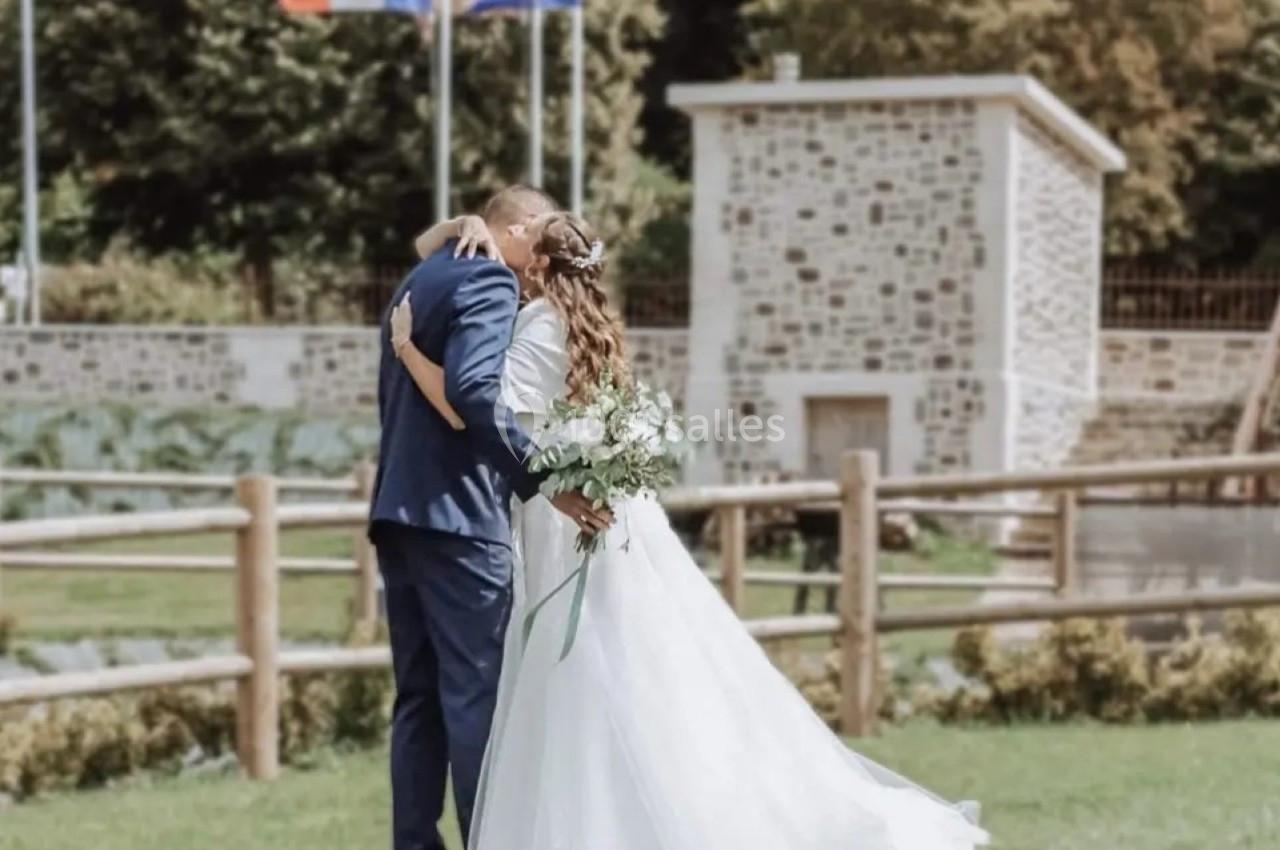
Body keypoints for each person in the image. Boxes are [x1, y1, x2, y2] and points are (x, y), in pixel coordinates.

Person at [392, 207, 990, 850]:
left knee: (584, 673)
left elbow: (467, 406)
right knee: (624, 669)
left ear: (538, 263)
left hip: (564, 518)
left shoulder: (538, 325)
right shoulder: (592, 328)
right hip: (596, 514)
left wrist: (407, 348)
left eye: (525, 250)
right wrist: (462, 225)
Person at [368, 185, 612, 850]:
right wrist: (545, 483)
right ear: (522, 227)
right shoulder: (490, 282)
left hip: (397, 514)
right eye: (541, 233)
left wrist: (459, 223)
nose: (540, 258)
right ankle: (487, 840)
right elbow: (476, 392)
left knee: (417, 698)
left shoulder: (427, 272)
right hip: (459, 520)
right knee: (475, 696)